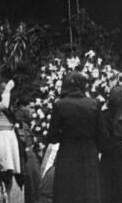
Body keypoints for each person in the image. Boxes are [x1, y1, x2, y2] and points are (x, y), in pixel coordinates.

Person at [46, 71, 105, 203]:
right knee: (88, 192)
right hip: (89, 154)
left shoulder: (59, 105)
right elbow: (103, 135)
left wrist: (66, 134)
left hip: (68, 154)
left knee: (68, 192)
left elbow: (52, 137)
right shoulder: (94, 104)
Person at [0, 78, 24, 203]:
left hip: (10, 137)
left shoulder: (6, 103)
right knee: (2, 172)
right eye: (1, 88)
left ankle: (9, 199)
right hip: (0, 137)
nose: (3, 91)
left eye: (4, 88)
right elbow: (3, 105)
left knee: (10, 173)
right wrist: (8, 90)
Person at [14, 100, 42, 203]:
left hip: (31, 157)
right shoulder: (17, 123)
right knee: (31, 191)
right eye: (30, 107)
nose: (33, 111)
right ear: (21, 107)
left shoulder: (27, 123)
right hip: (25, 159)